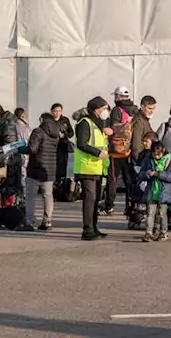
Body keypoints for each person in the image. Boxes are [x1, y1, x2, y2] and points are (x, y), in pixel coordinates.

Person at [75, 96, 112, 240]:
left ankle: (94, 227)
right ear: (96, 109)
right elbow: (81, 144)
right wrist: (98, 153)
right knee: (90, 199)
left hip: (97, 167)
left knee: (96, 199)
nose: (106, 112)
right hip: (87, 167)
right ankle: (87, 229)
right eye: (104, 109)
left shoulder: (98, 124)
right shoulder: (84, 123)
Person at [19, 113, 62, 231]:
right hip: (50, 170)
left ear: (42, 119)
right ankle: (47, 221)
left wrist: (20, 148)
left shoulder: (38, 131)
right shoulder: (55, 134)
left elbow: (32, 149)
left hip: (36, 169)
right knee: (48, 196)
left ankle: (29, 222)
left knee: (30, 197)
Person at [101, 87, 137, 216]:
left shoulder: (117, 110)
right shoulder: (135, 109)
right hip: (130, 150)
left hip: (117, 151)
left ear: (118, 96)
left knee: (113, 179)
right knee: (129, 179)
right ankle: (130, 206)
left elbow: (113, 129)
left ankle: (109, 205)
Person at [137, 134, 171, 242]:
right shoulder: (147, 160)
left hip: (164, 193)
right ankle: (148, 233)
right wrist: (147, 174)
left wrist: (159, 174)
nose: (156, 157)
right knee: (150, 213)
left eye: (159, 154)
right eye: (154, 154)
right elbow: (140, 174)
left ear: (163, 151)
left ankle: (163, 232)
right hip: (152, 191)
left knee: (162, 214)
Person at [51, 103, 74, 182]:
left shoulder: (65, 120)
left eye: (59, 111)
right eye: (55, 111)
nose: (57, 113)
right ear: (52, 111)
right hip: (52, 146)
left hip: (63, 146)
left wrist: (65, 134)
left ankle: (62, 183)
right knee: (53, 166)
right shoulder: (49, 121)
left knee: (63, 165)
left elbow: (71, 133)